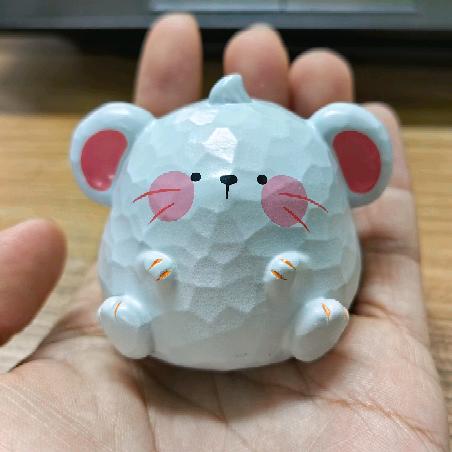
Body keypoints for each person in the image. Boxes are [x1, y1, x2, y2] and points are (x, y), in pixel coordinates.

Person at [0, 14, 448, 451]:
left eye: (268, 181)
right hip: (155, 324)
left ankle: (305, 328)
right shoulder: (149, 140)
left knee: (298, 288)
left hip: (290, 315)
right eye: (190, 178)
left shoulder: (311, 143)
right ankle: (135, 323)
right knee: (150, 281)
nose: (227, 182)